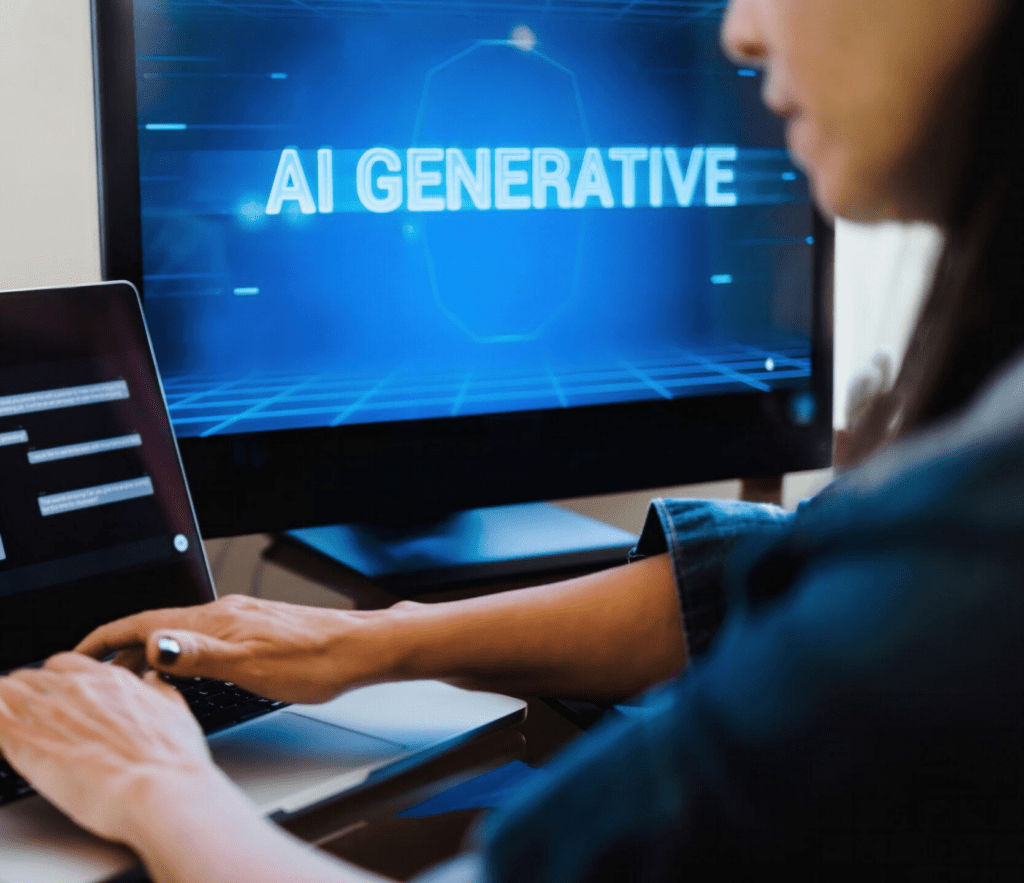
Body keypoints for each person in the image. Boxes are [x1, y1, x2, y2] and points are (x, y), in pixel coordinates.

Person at [2, 0, 1022, 879]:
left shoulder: (972, 544)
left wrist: (153, 782)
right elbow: (773, 570)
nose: (740, 31)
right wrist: (372, 640)